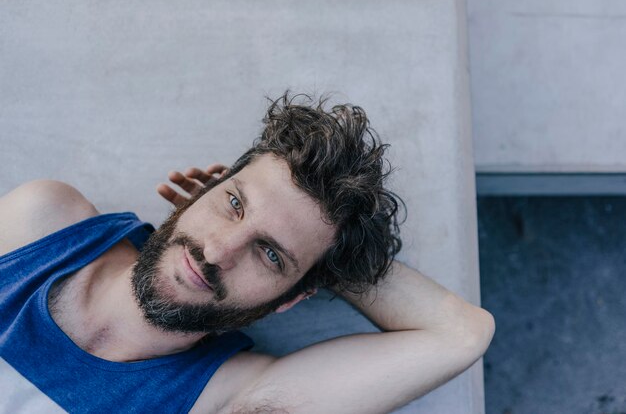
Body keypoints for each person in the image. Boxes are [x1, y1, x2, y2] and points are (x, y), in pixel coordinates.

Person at [0, 94, 494, 413]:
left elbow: (461, 334)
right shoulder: (41, 224)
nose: (217, 250)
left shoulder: (224, 400)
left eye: (271, 255)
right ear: (200, 193)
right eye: (233, 203)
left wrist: (327, 258)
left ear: (289, 299)